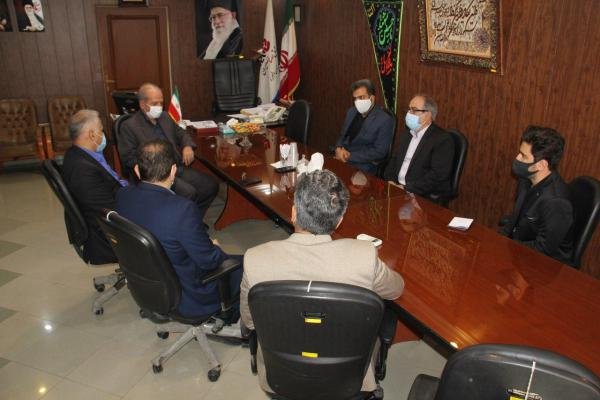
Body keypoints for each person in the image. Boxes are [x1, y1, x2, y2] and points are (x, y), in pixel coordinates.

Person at [240, 169, 404, 395]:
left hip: (281, 374)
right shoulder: (364, 256)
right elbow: (396, 289)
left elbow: (249, 322)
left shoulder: (255, 259)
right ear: (339, 221)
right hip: (345, 376)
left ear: (294, 213)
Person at [116, 139, 243, 319]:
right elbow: (208, 261)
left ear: (137, 170)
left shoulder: (122, 195)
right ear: (173, 171)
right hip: (187, 295)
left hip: (148, 284)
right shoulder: (182, 209)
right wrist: (215, 248)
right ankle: (232, 317)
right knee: (246, 264)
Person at [118, 82, 218, 219]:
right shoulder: (129, 126)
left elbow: (181, 133)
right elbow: (128, 158)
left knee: (210, 186)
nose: (159, 107)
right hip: (155, 175)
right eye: (155, 103)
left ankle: (193, 219)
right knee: (189, 192)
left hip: (176, 167)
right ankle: (180, 221)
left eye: (161, 102)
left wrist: (187, 146)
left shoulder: (165, 117)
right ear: (142, 104)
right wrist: (154, 165)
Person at [61, 109, 128, 264]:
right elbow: (109, 210)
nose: (103, 135)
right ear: (92, 135)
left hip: (117, 206)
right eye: (101, 130)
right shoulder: (81, 169)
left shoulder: (83, 154)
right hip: (108, 233)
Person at [501, 126, 573, 264]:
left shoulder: (556, 202)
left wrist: (508, 248)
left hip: (546, 266)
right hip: (519, 251)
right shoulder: (527, 179)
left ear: (541, 165)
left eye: (523, 156)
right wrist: (498, 241)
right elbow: (515, 219)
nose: (517, 158)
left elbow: (543, 250)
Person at [383, 94, 454, 197]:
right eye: (409, 109)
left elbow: (437, 175)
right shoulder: (407, 134)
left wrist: (406, 188)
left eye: (414, 110)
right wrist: (390, 181)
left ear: (428, 115)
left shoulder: (442, 140)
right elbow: (394, 159)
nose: (409, 113)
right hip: (396, 188)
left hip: (419, 193)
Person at [334, 79, 395, 175]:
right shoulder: (351, 111)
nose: (357, 101)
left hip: (363, 165)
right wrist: (338, 148)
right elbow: (342, 135)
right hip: (341, 158)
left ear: (372, 98)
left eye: (361, 97)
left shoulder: (385, 119)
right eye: (355, 98)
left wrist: (349, 156)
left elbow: (379, 152)